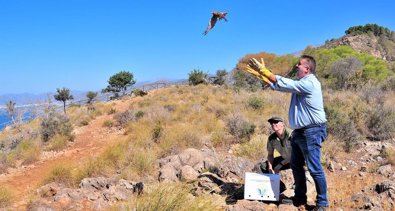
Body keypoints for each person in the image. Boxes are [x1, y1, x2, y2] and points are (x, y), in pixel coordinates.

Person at [246, 55, 328, 210]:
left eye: (299, 64)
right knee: (296, 165)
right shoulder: (301, 84)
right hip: (299, 132)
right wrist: (263, 75)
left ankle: (322, 203)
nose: (296, 66)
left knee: (314, 168)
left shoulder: (310, 82)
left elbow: (285, 83)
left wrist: (265, 71)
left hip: (312, 131)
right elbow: (280, 86)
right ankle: (299, 198)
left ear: (307, 68)